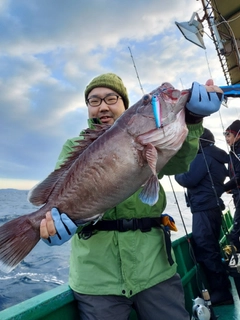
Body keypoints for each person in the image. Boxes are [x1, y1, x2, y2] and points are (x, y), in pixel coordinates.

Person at [39, 73, 223, 320]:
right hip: (96, 280)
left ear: (125, 105)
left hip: (154, 270)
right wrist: (49, 228)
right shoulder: (74, 145)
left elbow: (179, 163)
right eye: (94, 101)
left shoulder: (155, 138)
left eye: (111, 98)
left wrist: (193, 120)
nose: (102, 106)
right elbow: (58, 195)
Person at [175, 128, 233, 306]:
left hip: (203, 209)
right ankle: (222, 288)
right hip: (211, 208)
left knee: (206, 249)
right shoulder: (216, 157)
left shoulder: (203, 157)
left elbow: (188, 179)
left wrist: (177, 167)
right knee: (211, 248)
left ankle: (221, 292)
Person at [223, 119, 240, 251]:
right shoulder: (234, 152)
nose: (226, 138)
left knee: (235, 234)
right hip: (237, 195)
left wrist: (223, 188)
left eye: (229, 134)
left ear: (238, 135)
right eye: (225, 134)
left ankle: (237, 264)